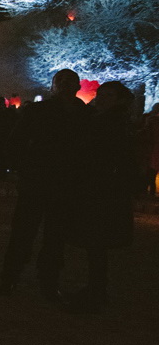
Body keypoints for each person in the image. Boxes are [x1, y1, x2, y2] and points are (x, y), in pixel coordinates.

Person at [0, 69, 87, 298]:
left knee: (55, 236)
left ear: (78, 86)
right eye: (61, 81)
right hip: (37, 179)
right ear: (53, 86)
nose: (66, 85)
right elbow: (15, 142)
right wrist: (16, 169)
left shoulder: (84, 114)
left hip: (65, 182)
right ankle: (10, 277)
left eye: (71, 81)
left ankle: (48, 280)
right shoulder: (38, 111)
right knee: (24, 232)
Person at [62, 81, 136, 313]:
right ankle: (96, 288)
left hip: (100, 189)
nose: (103, 98)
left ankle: (95, 291)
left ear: (120, 99)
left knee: (96, 240)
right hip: (102, 188)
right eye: (101, 94)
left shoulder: (110, 122)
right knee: (96, 242)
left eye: (109, 95)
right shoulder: (112, 120)